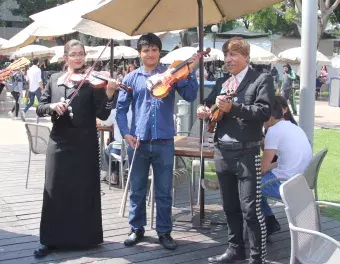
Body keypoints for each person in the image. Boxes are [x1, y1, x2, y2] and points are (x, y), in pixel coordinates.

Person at [33, 40, 120, 258]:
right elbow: (40, 107)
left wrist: (109, 94)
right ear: (65, 58)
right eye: (74, 54)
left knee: (83, 190)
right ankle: (49, 240)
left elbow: (102, 114)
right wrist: (52, 106)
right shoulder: (54, 79)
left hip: (85, 144)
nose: (78, 58)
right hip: (59, 142)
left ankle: (85, 239)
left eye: (81, 54)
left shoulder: (92, 82)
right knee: (54, 189)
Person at [116, 33, 199, 250]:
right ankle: (137, 228)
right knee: (137, 189)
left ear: (159, 52)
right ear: (140, 53)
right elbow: (121, 110)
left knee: (163, 190)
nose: (150, 54)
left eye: (154, 50)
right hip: (138, 142)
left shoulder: (170, 74)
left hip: (164, 142)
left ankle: (164, 231)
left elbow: (190, 96)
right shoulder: (131, 78)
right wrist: (126, 133)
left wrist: (190, 71)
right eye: (146, 50)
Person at [197, 37, 274, 264]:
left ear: (246, 57)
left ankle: (257, 258)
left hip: (247, 152)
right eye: (226, 55)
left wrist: (234, 107)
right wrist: (204, 109)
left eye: (233, 55)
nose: (228, 59)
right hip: (222, 150)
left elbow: (264, 112)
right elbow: (208, 102)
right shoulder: (223, 82)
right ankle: (235, 249)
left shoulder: (261, 79)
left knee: (251, 209)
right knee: (229, 205)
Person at [261, 97, 312, 236]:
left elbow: (263, 168)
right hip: (300, 183)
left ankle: (266, 222)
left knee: (248, 186)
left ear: (269, 115)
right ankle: (269, 220)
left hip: (284, 185)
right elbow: (282, 161)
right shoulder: (295, 128)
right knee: (257, 181)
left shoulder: (273, 131)